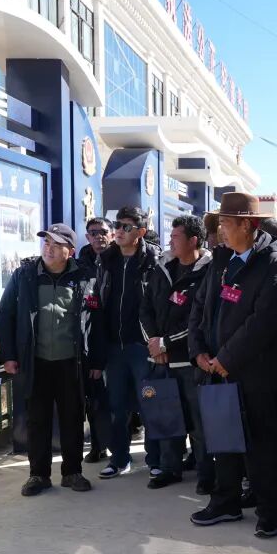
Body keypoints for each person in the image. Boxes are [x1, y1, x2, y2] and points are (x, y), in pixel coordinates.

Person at [187, 192, 277, 537]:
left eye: (227, 223)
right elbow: (199, 308)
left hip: (253, 372)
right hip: (214, 368)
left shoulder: (272, 263)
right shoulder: (221, 259)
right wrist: (198, 351)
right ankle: (225, 501)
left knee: (261, 445)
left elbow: (262, 322)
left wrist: (226, 358)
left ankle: (268, 511)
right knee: (223, 439)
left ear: (247, 225)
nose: (221, 230)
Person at [0, 224, 99, 496]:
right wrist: (9, 356)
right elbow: (5, 314)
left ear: (70, 251)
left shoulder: (84, 277)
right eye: (47, 243)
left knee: (72, 418)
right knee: (37, 419)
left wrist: (96, 361)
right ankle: (38, 475)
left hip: (71, 361)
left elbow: (96, 321)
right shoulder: (25, 275)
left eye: (56, 245)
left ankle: (72, 472)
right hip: (36, 361)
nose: (49, 249)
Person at [139, 214, 214, 492]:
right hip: (160, 360)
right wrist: (154, 343)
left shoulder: (208, 272)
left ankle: (207, 474)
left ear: (193, 240)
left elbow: (200, 319)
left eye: (176, 236)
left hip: (189, 361)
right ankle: (170, 468)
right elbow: (145, 309)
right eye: (170, 236)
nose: (170, 241)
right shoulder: (163, 269)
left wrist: (166, 343)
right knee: (166, 418)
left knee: (198, 423)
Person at [93, 206, 161, 479]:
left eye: (126, 227)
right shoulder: (106, 259)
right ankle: (119, 459)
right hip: (114, 346)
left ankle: (155, 459)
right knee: (116, 407)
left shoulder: (153, 260)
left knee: (149, 404)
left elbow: (159, 304)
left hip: (141, 346)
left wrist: (155, 339)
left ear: (141, 232)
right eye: (117, 225)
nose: (119, 231)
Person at [78, 216, 113, 463]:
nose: (98, 236)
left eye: (103, 231)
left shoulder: (119, 259)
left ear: (111, 234)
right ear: (87, 236)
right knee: (96, 398)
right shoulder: (81, 266)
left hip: (120, 339)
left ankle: (120, 444)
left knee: (118, 397)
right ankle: (99, 446)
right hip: (93, 340)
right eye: (93, 232)